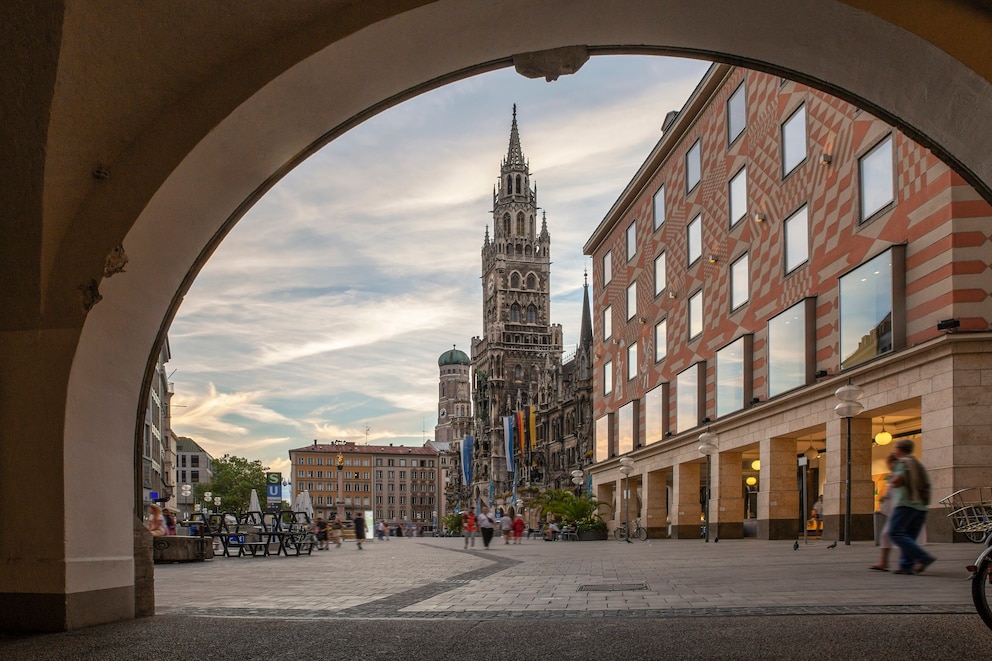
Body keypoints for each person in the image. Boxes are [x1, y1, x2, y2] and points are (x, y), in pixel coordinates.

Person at [888, 438, 935, 575]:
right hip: (921, 505)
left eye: (895, 448)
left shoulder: (903, 462)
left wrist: (892, 478)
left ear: (899, 450)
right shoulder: (916, 462)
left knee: (895, 532)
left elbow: (897, 481)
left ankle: (922, 557)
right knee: (909, 535)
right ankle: (906, 565)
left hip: (906, 503)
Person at [870, 453, 898, 571]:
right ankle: (884, 562)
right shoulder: (894, 475)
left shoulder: (900, 475)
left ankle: (919, 558)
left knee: (892, 535)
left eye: (891, 463)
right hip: (895, 510)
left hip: (900, 509)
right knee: (887, 535)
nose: (889, 466)